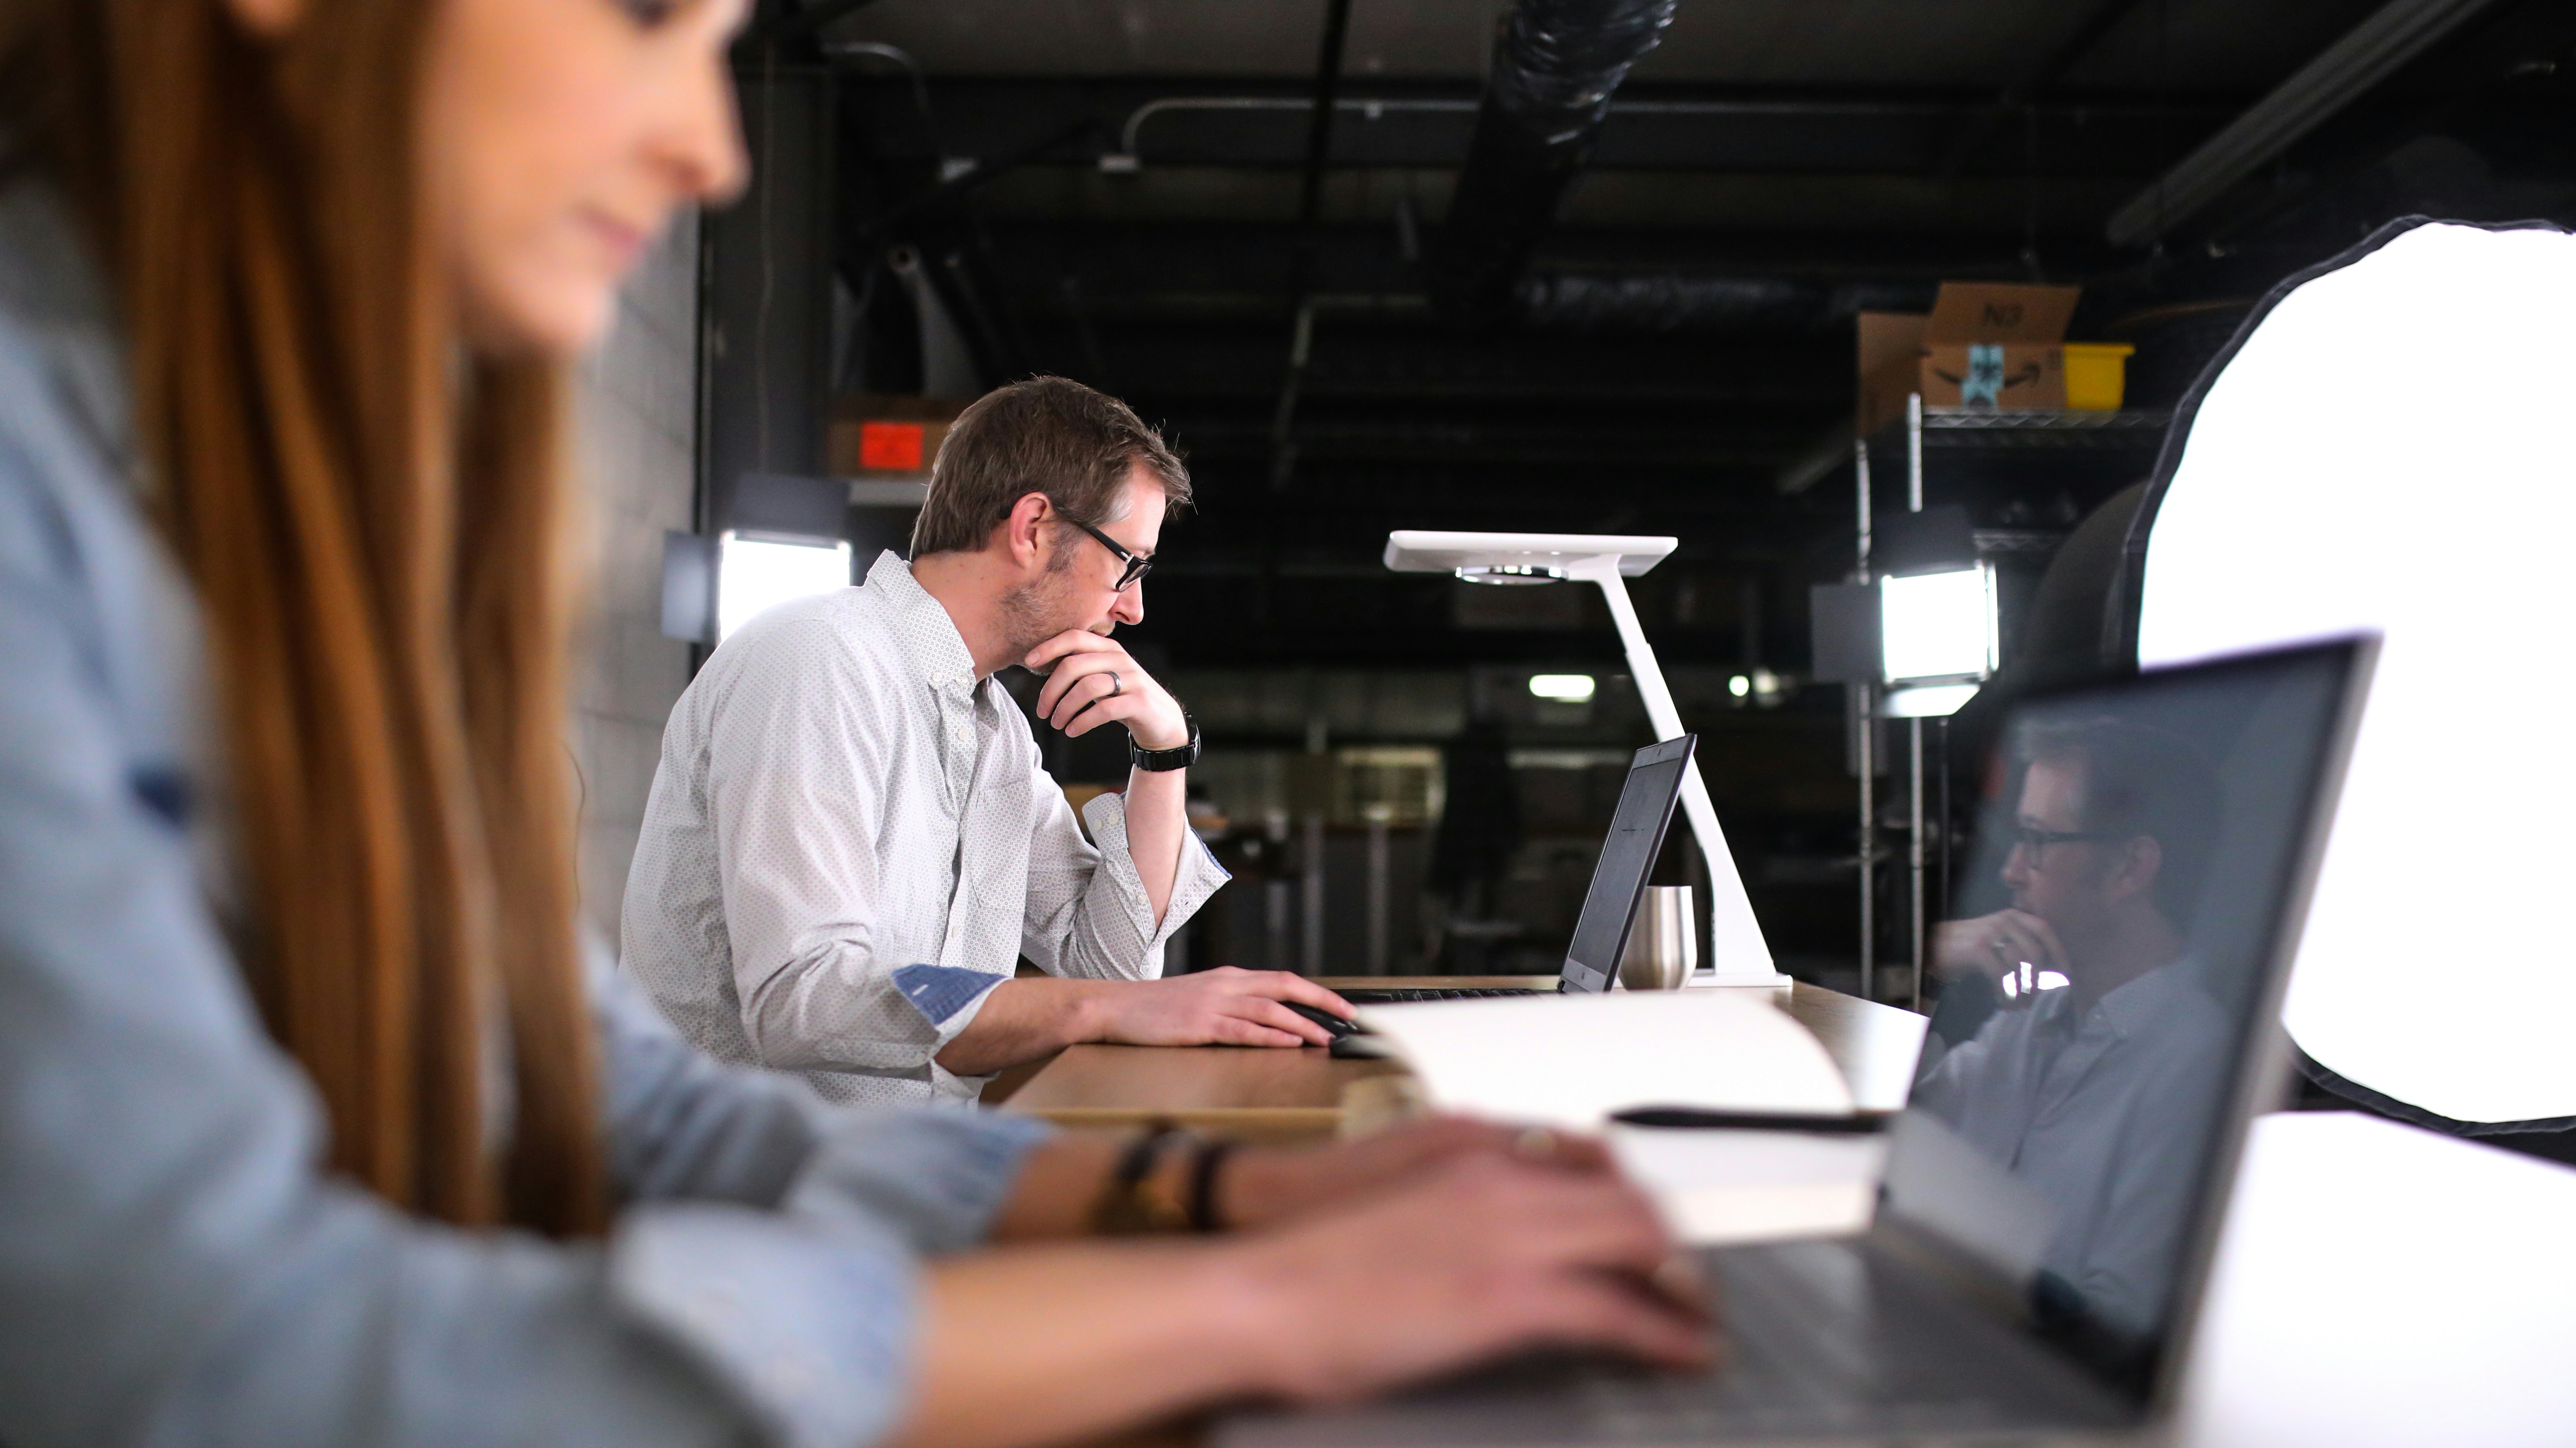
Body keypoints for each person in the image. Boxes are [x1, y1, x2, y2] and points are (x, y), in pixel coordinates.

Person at [0, 2, 1711, 1445]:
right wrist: (1239, 1294)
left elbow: (645, 1106)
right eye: (646, 20)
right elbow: (209, 1345)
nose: (709, 152)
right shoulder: (822, 660)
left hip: (853, 1187)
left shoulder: (976, 720)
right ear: (1034, 533)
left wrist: (1208, 1175)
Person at [625, 377, 1355, 1107]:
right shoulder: (819, 658)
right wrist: (1093, 1009)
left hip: (889, 1173)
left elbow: (1110, 970)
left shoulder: (993, 727)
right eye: (1129, 565)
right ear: (1033, 528)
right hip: (747, 1196)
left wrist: (1162, 753)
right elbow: (804, 997)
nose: (1133, 608)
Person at [1912, 719, 2232, 1340]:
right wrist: (1932, 963)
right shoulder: (2034, 1016)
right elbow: (1896, 1135)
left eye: (2035, 841)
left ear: (2128, 868)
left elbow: (2116, 1325)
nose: (2010, 871)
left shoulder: (2196, 1059)